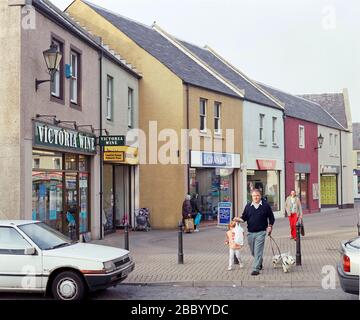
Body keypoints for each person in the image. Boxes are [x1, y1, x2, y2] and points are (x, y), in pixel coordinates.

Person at [240, 189, 275, 276]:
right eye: (254, 196)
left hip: (261, 232)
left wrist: (270, 226)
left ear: (260, 196)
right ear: (251, 196)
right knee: (253, 252)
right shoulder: (248, 206)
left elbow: (271, 217)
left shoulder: (265, 206)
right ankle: (259, 262)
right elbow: (244, 217)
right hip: (250, 233)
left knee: (258, 251)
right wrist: (237, 220)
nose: (256, 197)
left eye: (257, 195)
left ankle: (256, 269)